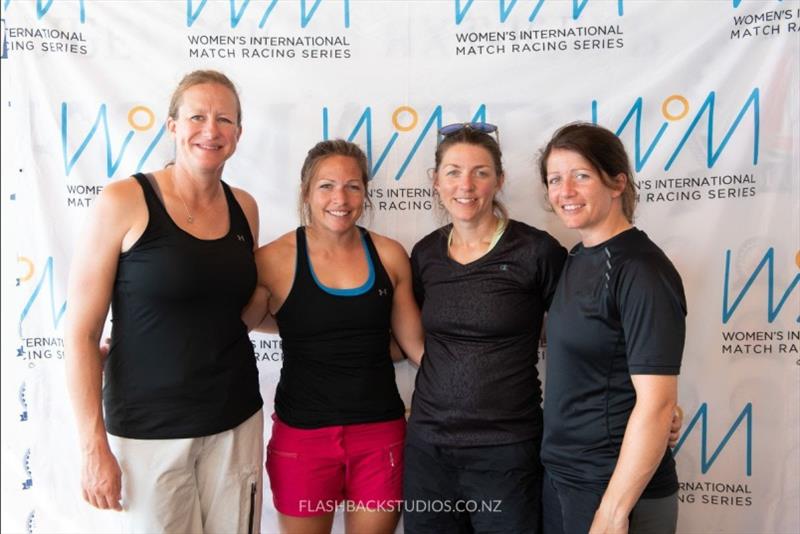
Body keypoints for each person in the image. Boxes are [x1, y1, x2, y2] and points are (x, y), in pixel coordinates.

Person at [64, 70, 264, 533]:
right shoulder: (123, 200)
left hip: (236, 421)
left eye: (224, 119)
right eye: (196, 116)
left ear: (238, 133)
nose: (210, 130)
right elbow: (81, 333)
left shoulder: (245, 208)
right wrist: (93, 446)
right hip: (147, 431)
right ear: (172, 125)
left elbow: (234, 312)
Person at [252, 139, 425, 534]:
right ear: (306, 192)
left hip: (379, 435)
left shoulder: (389, 255)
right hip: (303, 439)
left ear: (365, 191)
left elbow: (415, 345)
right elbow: (240, 322)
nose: (340, 198)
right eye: (326, 185)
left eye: (353, 186)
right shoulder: (272, 260)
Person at [403, 123, 568, 533]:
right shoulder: (425, 254)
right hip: (429, 450)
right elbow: (424, 337)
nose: (467, 184)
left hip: (506, 450)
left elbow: (582, 335)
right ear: (435, 180)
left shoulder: (537, 251)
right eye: (454, 171)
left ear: (500, 180)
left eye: (480, 171)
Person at [538, 122, 686, 534]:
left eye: (581, 176)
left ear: (617, 182)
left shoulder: (640, 269)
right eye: (555, 179)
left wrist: (613, 511)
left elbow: (657, 403)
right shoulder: (576, 258)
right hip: (565, 478)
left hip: (613, 490)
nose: (565, 191)